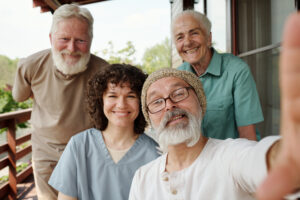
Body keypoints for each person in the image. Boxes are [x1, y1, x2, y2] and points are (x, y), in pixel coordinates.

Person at [129, 13, 300, 199]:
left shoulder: (236, 70)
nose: (169, 105)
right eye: (157, 101)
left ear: (209, 37)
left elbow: (248, 149)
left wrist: (279, 160)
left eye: (179, 94)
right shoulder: (143, 179)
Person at [12, 4, 108, 199]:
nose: (71, 49)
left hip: (87, 154)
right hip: (45, 154)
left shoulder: (104, 71)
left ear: (90, 40)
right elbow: (18, 96)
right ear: (50, 38)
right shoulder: (30, 66)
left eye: (80, 40)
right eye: (64, 39)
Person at [48, 64, 159, 200]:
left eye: (130, 96)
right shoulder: (79, 145)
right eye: (112, 96)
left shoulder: (154, 154)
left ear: (142, 102)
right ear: (100, 101)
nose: (121, 104)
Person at [174, 10, 263, 140]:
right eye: (180, 37)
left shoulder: (236, 70)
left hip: (232, 156)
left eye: (194, 33)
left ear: (208, 38)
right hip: (197, 157)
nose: (187, 42)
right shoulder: (178, 77)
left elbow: (247, 135)